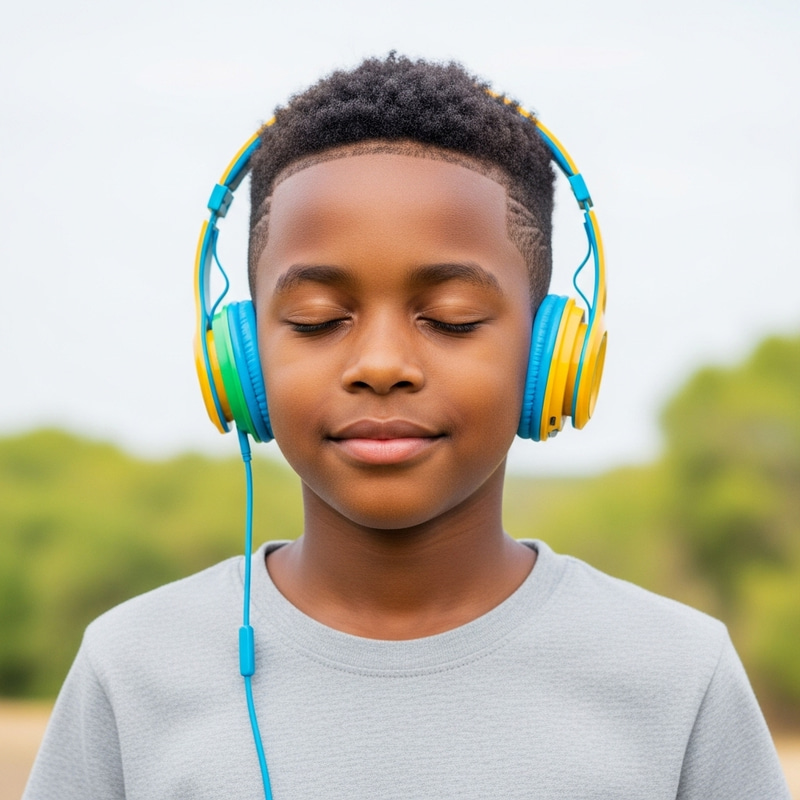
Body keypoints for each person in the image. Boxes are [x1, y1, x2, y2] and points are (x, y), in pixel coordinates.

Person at [24, 54, 790, 799]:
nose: (382, 363)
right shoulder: (129, 672)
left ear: (551, 354)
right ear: (240, 355)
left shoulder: (678, 677)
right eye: (317, 319)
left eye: (451, 320)